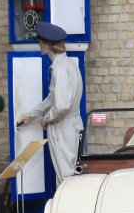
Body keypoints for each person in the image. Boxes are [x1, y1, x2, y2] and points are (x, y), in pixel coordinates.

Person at [15, 21, 83, 181]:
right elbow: (53, 98)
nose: (39, 44)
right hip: (71, 125)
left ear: (48, 45)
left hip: (62, 128)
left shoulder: (60, 70)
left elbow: (61, 106)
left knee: (65, 178)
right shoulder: (69, 64)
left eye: (40, 41)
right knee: (70, 175)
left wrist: (46, 119)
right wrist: (32, 115)